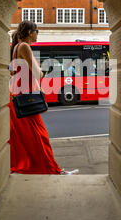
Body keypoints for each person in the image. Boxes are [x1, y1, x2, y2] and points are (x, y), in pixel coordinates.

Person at [8, 20, 79, 175]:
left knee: (26, 138)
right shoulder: (25, 47)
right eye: (36, 31)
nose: (37, 34)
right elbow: (38, 73)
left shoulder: (15, 48)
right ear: (29, 32)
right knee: (40, 136)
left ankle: (44, 168)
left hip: (17, 97)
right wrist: (41, 70)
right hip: (26, 97)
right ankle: (51, 169)